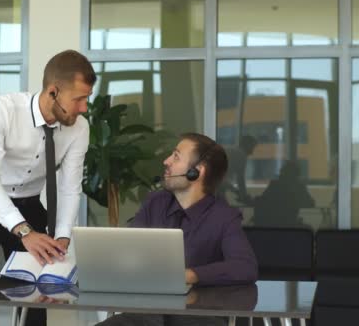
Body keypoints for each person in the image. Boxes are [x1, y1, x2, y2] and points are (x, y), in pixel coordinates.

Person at [0, 50, 96, 326]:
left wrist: (63, 236)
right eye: (79, 99)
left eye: (86, 99)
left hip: (28, 205)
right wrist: (23, 231)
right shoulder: (2, 109)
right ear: (53, 91)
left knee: (35, 303)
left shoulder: (79, 128)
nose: (84, 108)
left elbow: (70, 187)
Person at [98, 133, 258, 326]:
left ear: (196, 171)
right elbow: (129, 250)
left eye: (175, 156)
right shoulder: (155, 203)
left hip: (197, 318)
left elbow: (245, 266)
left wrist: (189, 275)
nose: (166, 161)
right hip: (143, 314)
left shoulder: (224, 217)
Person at [253, 160, 315, 227]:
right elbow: (311, 203)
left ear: (282, 172)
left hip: (271, 224)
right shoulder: (299, 186)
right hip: (290, 224)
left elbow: (262, 200)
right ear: (297, 175)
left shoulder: (274, 185)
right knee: (308, 229)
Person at [230, 135, 257, 204]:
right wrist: (244, 196)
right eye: (252, 147)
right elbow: (240, 179)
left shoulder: (233, 152)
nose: (252, 151)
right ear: (248, 145)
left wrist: (237, 192)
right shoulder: (240, 155)